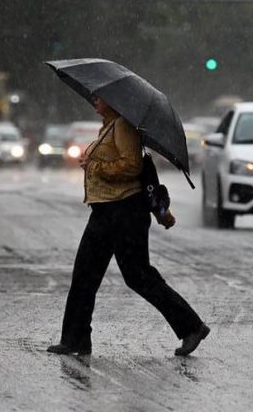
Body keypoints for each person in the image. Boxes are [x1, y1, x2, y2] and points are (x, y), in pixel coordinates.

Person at [47, 95, 210, 356]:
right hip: (106, 210)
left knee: (138, 276)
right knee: (85, 275)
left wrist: (95, 166)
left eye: (99, 97)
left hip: (124, 211)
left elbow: (131, 166)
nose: (94, 100)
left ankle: (192, 326)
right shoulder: (111, 126)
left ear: (114, 101)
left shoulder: (123, 126)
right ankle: (75, 339)